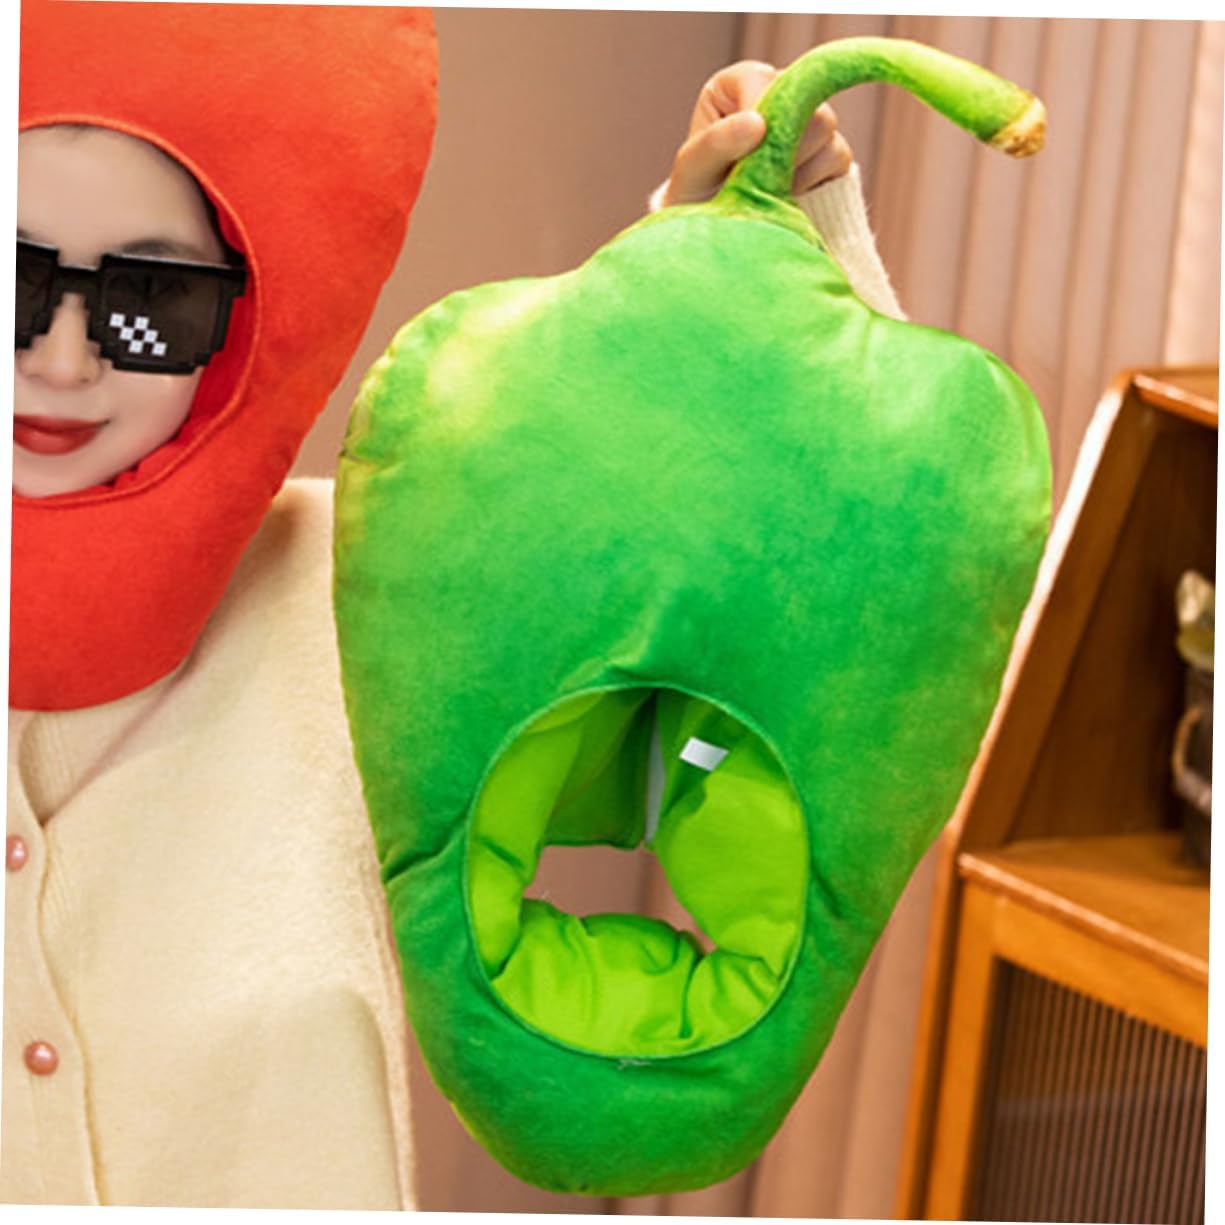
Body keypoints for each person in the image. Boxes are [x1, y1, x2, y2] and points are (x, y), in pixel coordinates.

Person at [5, 2, 899, 1210]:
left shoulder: (364, 590)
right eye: (11, 278)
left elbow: (792, 564)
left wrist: (740, 248)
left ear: (234, 319)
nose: (64, 360)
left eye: (151, 302)